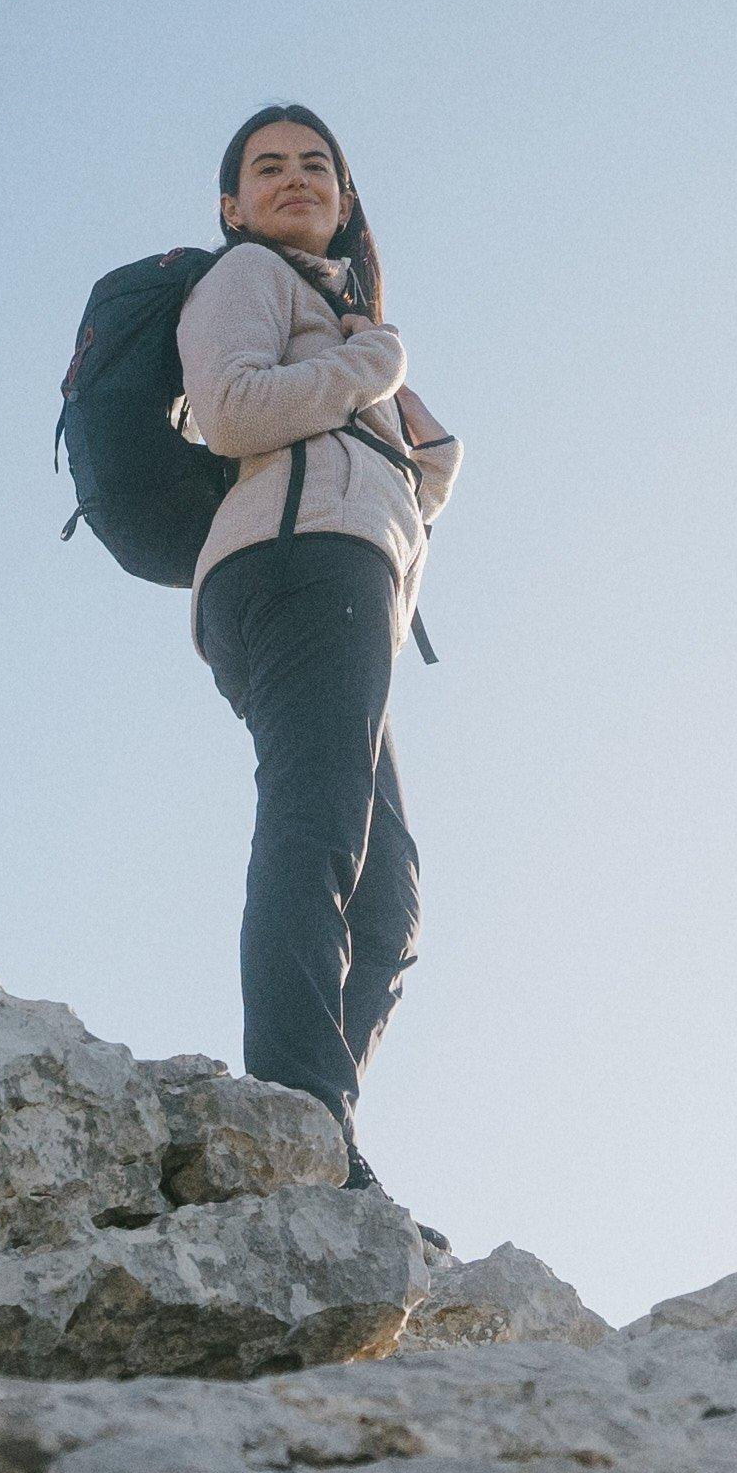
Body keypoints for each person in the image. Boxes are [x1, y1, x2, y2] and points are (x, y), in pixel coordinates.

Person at [166, 101, 456, 1156]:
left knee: (388, 907)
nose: (297, 179)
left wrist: (430, 456)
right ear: (231, 205)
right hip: (290, 569)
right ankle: (297, 1115)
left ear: (343, 201)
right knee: (316, 824)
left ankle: (314, 1127)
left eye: (317, 166)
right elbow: (233, 408)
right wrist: (368, 369)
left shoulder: (336, 315)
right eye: (269, 167)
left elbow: (383, 482)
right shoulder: (242, 280)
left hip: (346, 578)